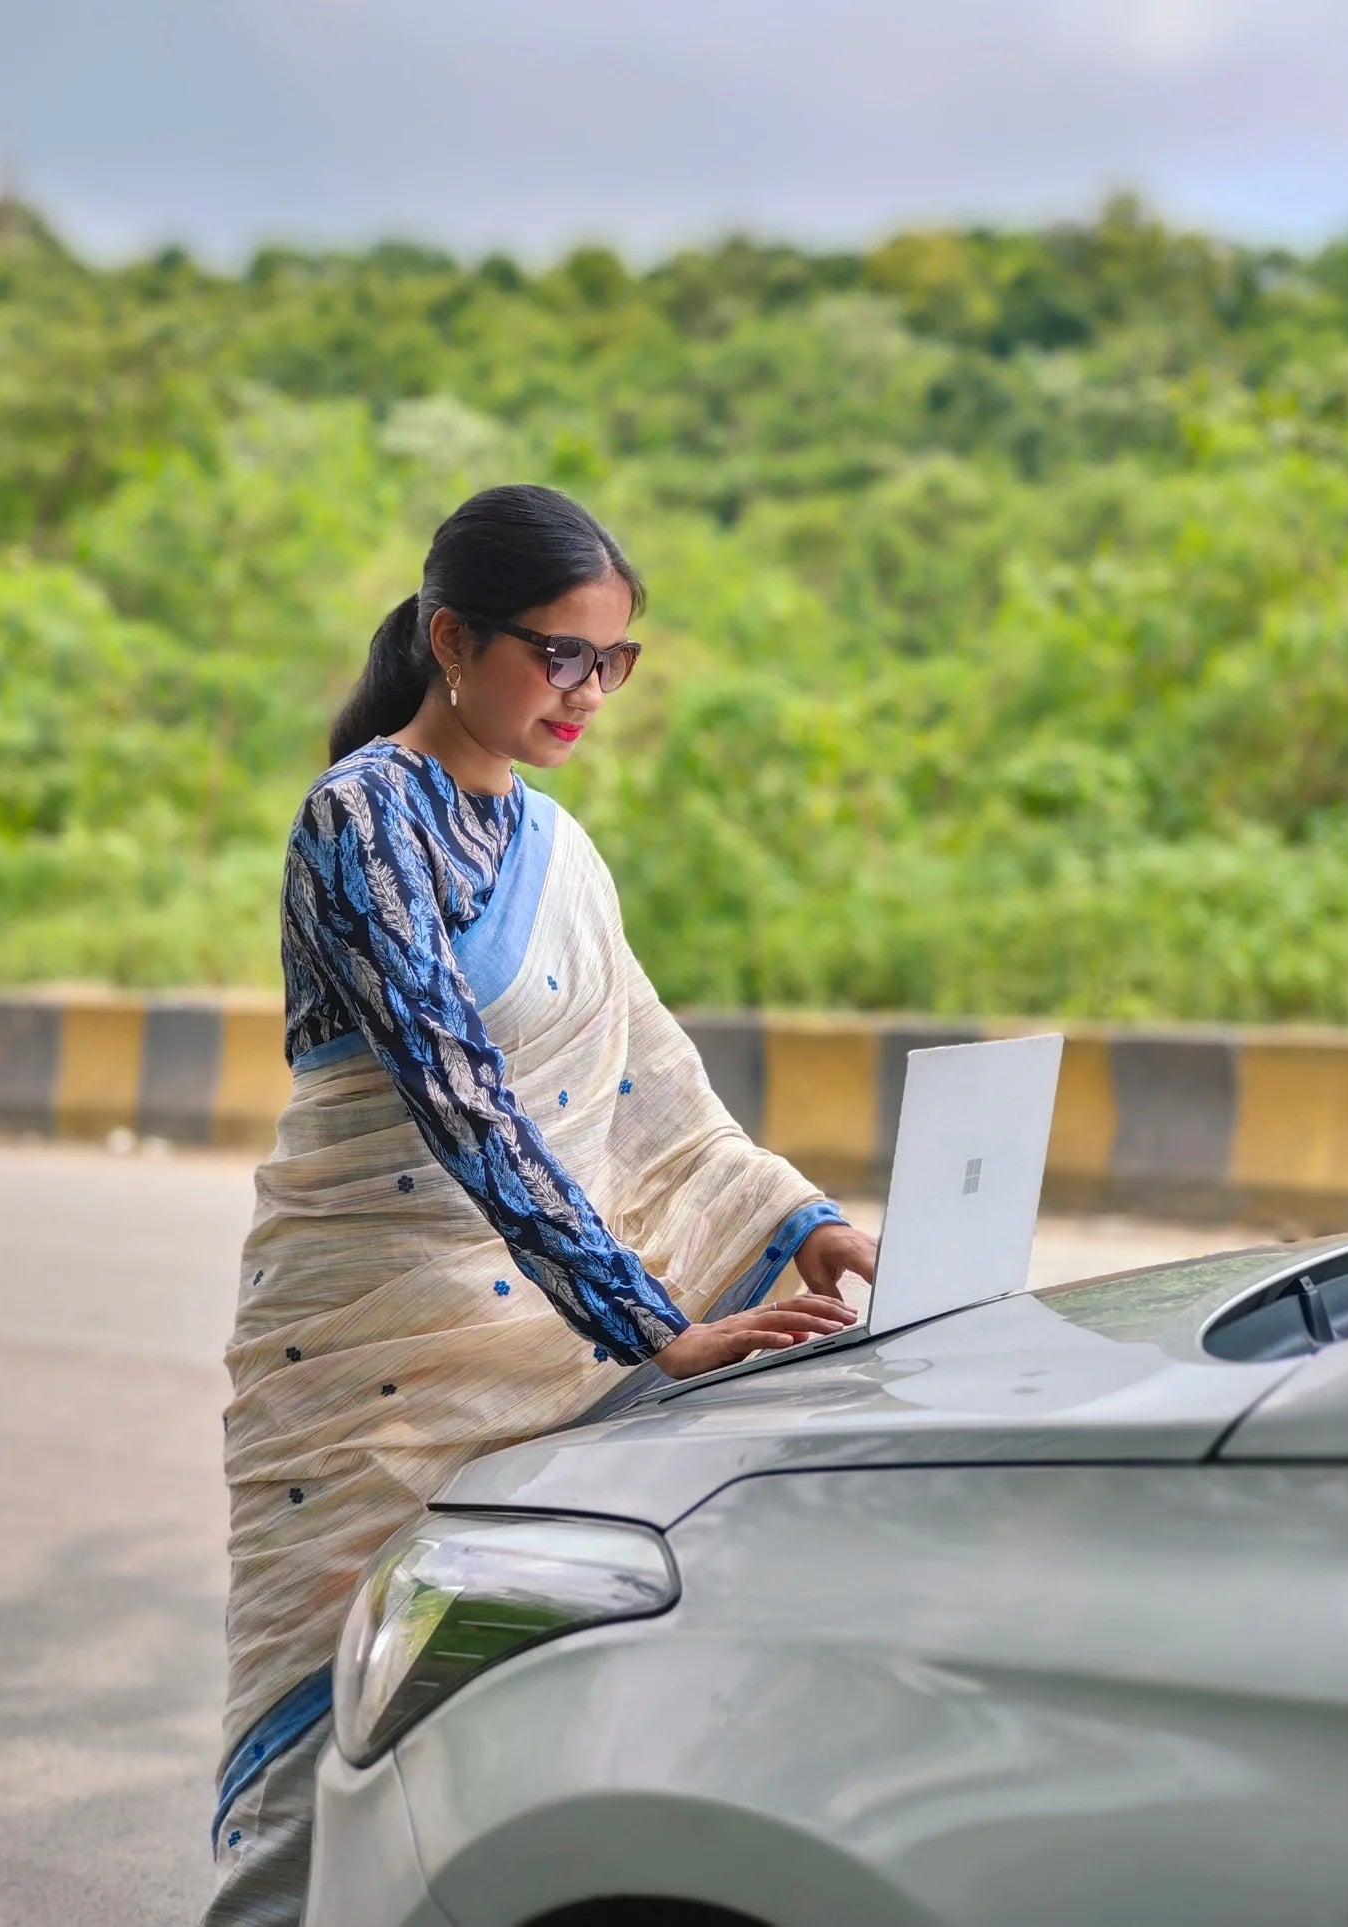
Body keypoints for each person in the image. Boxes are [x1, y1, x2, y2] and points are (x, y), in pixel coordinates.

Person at [205, 483, 875, 1923]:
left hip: (547, 1349)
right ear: (452, 637)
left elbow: (653, 1086)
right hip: (372, 1366)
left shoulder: (557, 847)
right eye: (554, 653)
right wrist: (652, 1325)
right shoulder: (359, 819)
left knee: (504, 1719)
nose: (585, 690)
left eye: (610, 660)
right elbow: (460, 1100)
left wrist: (802, 1220)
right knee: (322, 1744)